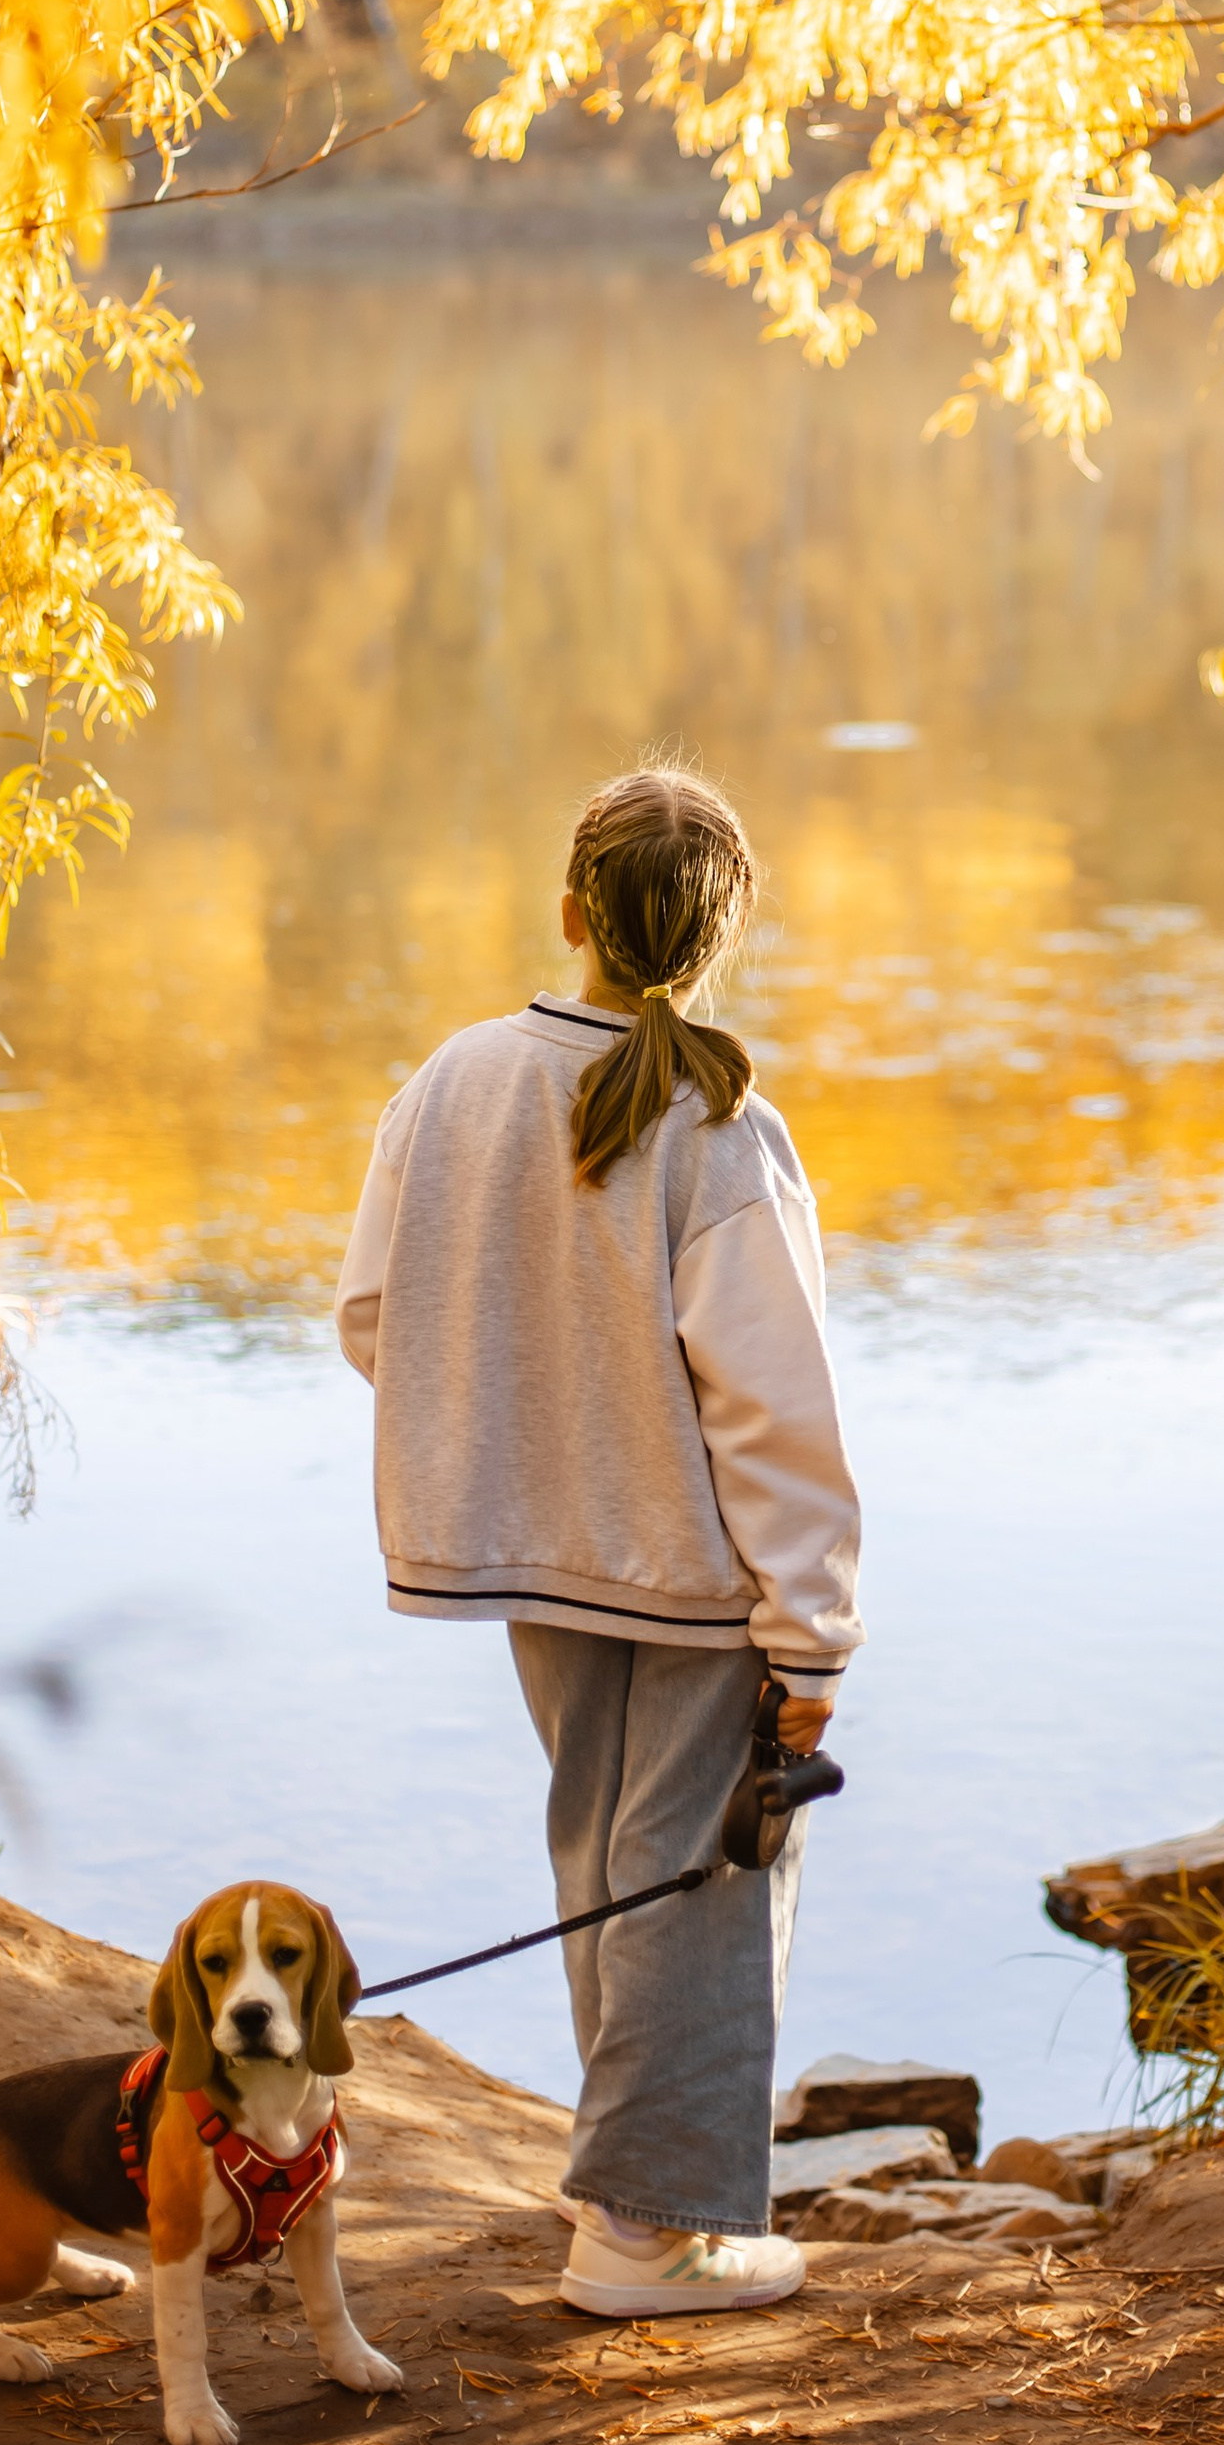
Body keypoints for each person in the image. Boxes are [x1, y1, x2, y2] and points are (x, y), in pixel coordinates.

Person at [334, 765, 863, 2318]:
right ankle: (646, 2234)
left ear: (570, 915)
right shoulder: (722, 1129)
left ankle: (630, 2196)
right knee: (697, 1878)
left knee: (603, 1857)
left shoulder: (450, 1081)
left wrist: (521, 1439)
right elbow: (775, 1412)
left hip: (530, 1558)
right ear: (715, 945)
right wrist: (813, 1634)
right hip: (694, 1577)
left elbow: (376, 1317)